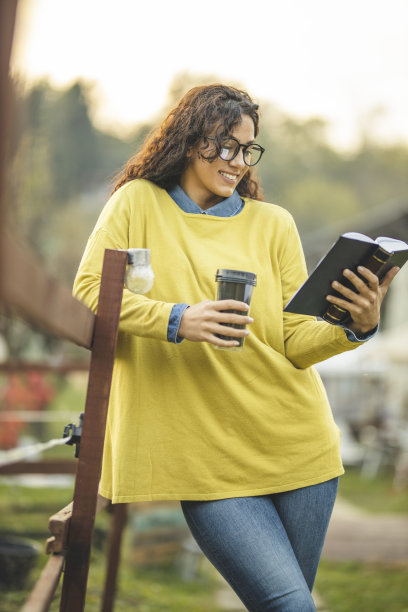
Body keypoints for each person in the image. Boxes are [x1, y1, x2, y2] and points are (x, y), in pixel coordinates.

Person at [73, 84, 399, 611]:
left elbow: (293, 340)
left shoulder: (275, 224)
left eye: (248, 149)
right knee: (291, 606)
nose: (238, 162)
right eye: (226, 145)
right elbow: (91, 292)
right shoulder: (137, 202)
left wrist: (355, 327)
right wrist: (178, 318)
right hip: (206, 462)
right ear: (188, 140)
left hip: (300, 448)